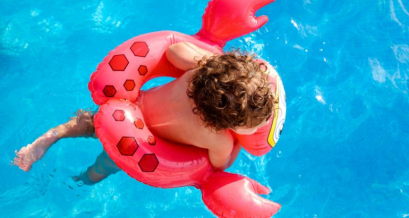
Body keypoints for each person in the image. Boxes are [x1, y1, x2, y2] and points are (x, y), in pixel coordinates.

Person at [13, 42, 275, 185]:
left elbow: (174, 50)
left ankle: (47, 139)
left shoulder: (196, 72)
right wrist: (239, 144)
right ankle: (81, 181)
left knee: (88, 123)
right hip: (135, 143)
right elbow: (219, 164)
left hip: (125, 110)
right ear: (227, 123)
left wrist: (208, 60)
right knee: (105, 166)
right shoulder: (218, 138)